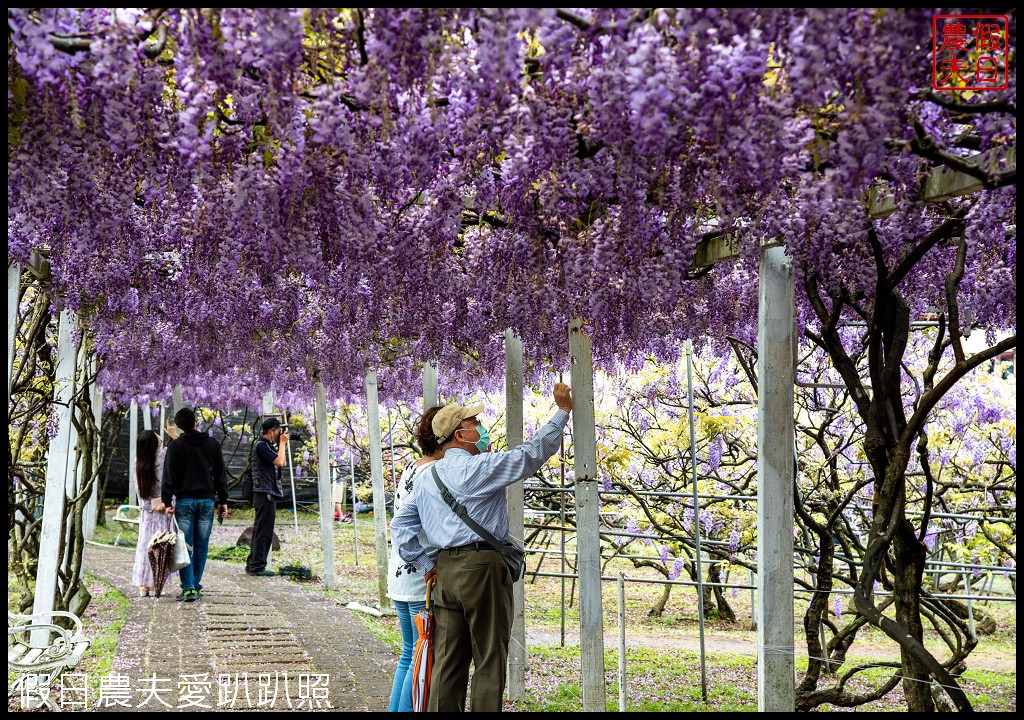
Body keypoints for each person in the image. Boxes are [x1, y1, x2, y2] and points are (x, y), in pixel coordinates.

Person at [391, 381, 573, 712]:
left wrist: (426, 566)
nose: (481, 428)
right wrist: (562, 413)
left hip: (444, 572)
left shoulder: (426, 477)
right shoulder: (480, 467)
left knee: (448, 663)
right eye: (474, 423)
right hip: (482, 570)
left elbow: (401, 527)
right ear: (460, 435)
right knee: (489, 658)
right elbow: (531, 454)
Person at [387, 406, 444, 712]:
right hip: (420, 572)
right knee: (422, 654)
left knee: (410, 652)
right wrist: (427, 564)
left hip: (400, 570)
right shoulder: (432, 472)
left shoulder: (412, 466)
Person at [161, 407, 228, 602]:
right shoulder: (212, 443)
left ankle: (189, 587)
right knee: (201, 545)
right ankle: (195, 585)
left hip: (184, 501)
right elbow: (220, 474)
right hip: (207, 501)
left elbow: (169, 476)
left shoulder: (176, 446)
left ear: (180, 426)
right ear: (196, 421)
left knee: (185, 545)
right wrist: (222, 500)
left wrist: (167, 502)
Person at [131, 426, 176, 596]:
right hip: (163, 508)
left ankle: (144, 585)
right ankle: (156, 584)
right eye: (156, 435)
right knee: (161, 546)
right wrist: (171, 435)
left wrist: (150, 506)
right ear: (154, 442)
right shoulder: (164, 455)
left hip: (148, 511)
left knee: (146, 546)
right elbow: (180, 447)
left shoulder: (139, 461)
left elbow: (139, 490)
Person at [245, 417, 288, 577]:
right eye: (278, 431)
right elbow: (280, 461)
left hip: (266, 492)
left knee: (260, 529)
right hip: (265, 493)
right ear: (271, 431)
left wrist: (281, 443)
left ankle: (253, 564)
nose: (280, 434)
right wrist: (282, 444)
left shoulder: (265, 445)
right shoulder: (261, 446)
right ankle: (257, 566)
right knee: (264, 531)